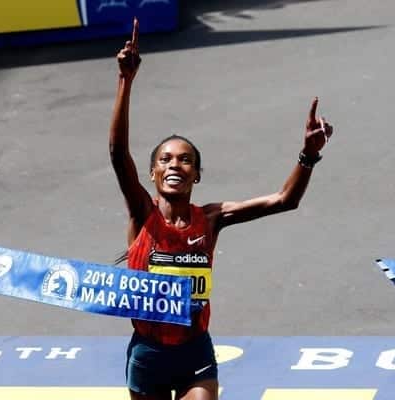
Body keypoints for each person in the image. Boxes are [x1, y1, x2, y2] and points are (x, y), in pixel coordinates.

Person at [109, 18, 333, 400]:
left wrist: (308, 155)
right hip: (148, 352)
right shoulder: (142, 214)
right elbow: (117, 153)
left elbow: (285, 200)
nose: (174, 165)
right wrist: (125, 81)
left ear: (196, 174)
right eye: (165, 159)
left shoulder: (211, 218)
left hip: (195, 349)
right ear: (152, 172)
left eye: (184, 160)